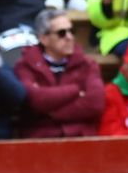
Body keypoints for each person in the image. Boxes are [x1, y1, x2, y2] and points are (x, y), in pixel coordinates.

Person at [11, 8, 105, 136]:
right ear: (44, 39)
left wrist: (49, 110)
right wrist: (75, 90)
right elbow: (35, 101)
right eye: (62, 33)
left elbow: (95, 104)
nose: (69, 37)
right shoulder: (25, 65)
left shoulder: (88, 65)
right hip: (40, 143)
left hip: (81, 141)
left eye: (72, 31)